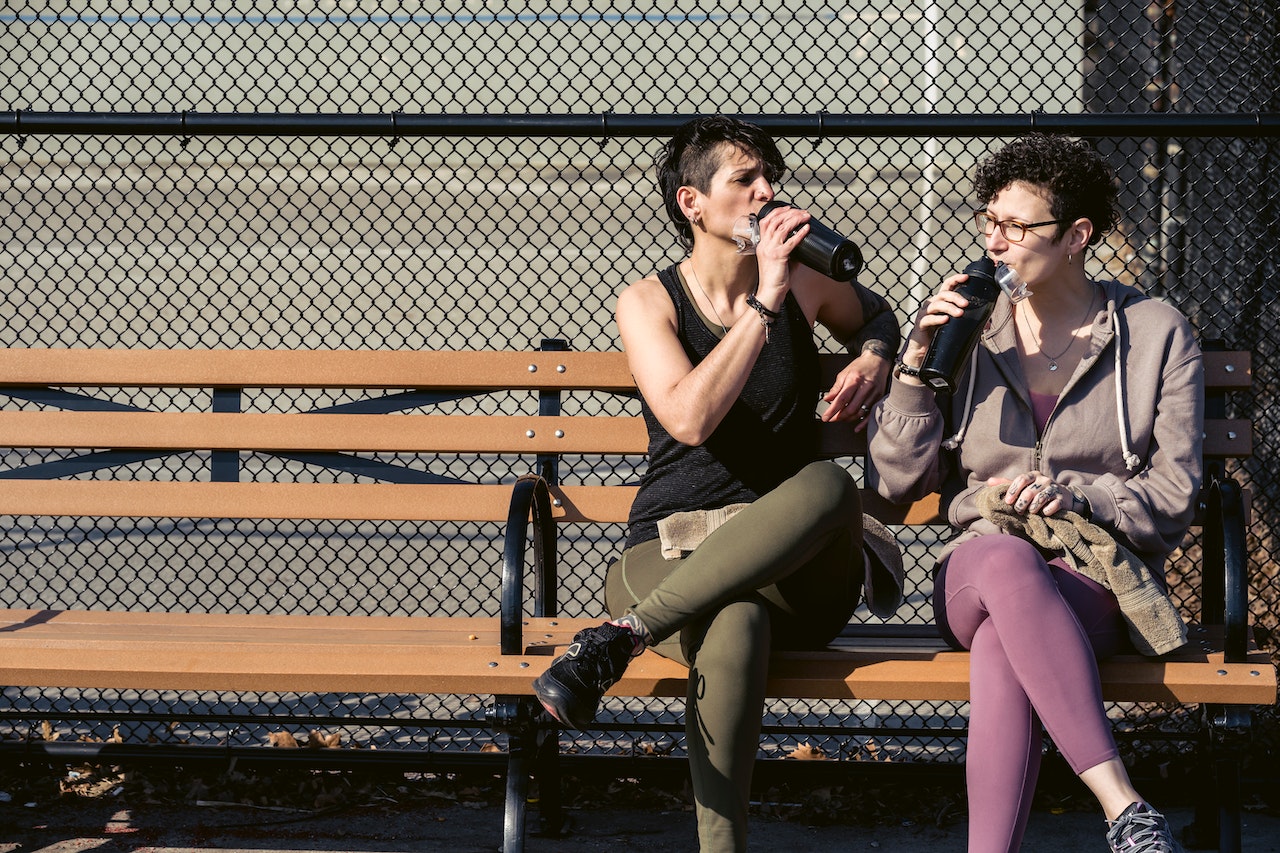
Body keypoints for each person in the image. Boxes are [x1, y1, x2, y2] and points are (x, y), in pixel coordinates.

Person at [531, 115, 906, 852]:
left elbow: (881, 315)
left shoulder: (805, 283)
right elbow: (691, 418)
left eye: (771, 177)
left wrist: (870, 357)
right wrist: (763, 303)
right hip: (669, 551)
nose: (769, 192)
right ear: (691, 203)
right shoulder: (650, 301)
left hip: (794, 569)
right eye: (746, 180)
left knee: (830, 485)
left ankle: (620, 637)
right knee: (735, 621)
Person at [868, 133, 1202, 853]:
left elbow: (1173, 494)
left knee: (1000, 646)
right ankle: (1123, 806)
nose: (996, 242)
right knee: (1006, 564)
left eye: (1017, 227)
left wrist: (1084, 499)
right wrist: (917, 366)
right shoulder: (969, 331)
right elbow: (895, 483)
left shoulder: (1154, 334)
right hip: (978, 565)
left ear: (1077, 236)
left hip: (1094, 574)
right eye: (989, 222)